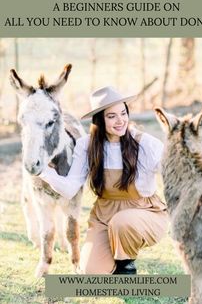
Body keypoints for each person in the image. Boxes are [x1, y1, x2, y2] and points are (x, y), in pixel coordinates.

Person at [40, 86, 169, 275]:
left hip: (144, 212)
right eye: (112, 116)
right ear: (99, 119)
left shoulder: (145, 143)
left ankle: (126, 267)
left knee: (121, 222)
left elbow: (169, 171)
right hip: (104, 215)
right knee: (91, 274)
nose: (120, 121)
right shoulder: (87, 145)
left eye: (123, 113)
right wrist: (43, 172)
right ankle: (113, 261)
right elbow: (69, 189)